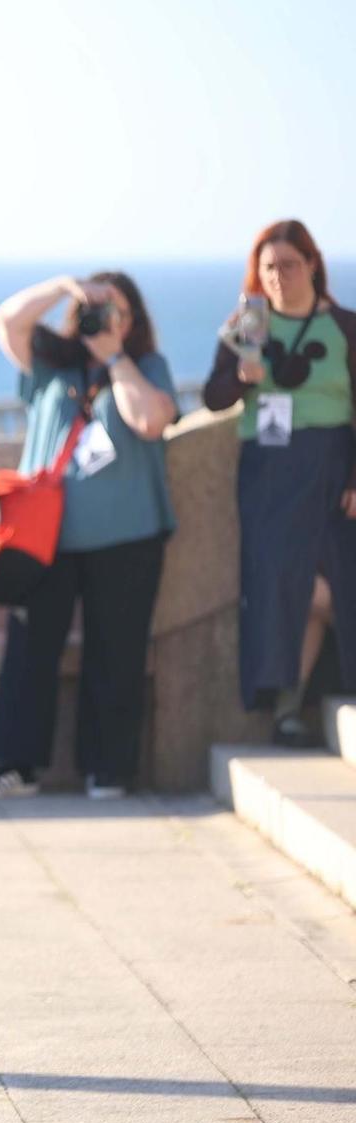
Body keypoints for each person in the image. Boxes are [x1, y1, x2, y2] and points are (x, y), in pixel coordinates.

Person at [0, 271, 179, 799]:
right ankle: (17, 766)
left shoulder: (146, 368)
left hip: (127, 537)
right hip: (43, 539)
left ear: (135, 322)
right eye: (98, 308)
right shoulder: (50, 363)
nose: (108, 319)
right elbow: (7, 320)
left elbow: (150, 421)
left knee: (117, 652)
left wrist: (113, 357)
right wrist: (63, 286)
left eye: (119, 312)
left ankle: (107, 767)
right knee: (30, 652)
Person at [204, 219, 356, 745]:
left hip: (333, 467)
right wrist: (240, 377)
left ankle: (293, 706)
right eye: (268, 266)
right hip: (270, 471)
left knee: (334, 578)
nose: (278, 276)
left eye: (289, 264)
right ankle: (287, 707)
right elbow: (212, 397)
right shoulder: (251, 323)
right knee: (285, 586)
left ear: (312, 263)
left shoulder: (345, 326)